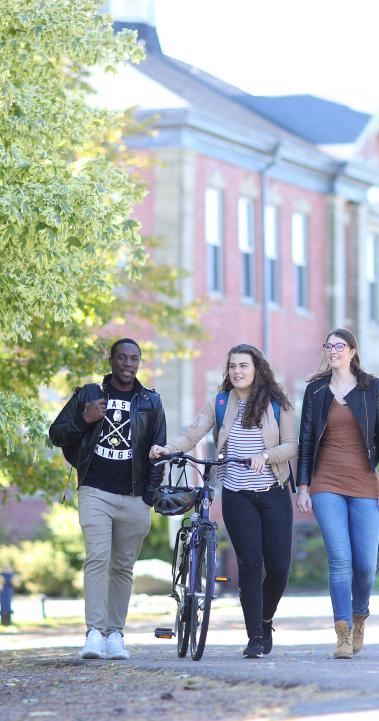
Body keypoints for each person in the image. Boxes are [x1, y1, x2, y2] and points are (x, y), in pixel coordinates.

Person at [150, 343, 297, 658]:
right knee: (249, 565)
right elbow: (193, 434)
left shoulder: (276, 402)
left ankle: (266, 618)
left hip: (274, 493)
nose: (237, 371)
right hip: (237, 495)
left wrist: (266, 455)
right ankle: (255, 637)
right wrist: (167, 447)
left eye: (243, 365)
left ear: (256, 368)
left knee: (279, 567)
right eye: (233, 366)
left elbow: (291, 445)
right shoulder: (219, 402)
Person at [49, 338, 166, 660]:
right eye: (122, 358)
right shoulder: (88, 394)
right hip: (95, 490)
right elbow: (56, 434)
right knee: (97, 559)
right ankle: (94, 633)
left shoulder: (151, 402)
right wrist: (83, 419)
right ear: (112, 360)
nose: (128, 364)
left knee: (123, 567)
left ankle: (115, 633)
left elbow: (159, 451)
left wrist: (149, 497)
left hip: (134, 496)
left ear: (139, 363)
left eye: (134, 359)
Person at [297, 328, 379, 659]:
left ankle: (360, 617)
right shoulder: (315, 390)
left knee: (365, 564)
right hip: (325, 481)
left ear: (352, 351)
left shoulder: (372, 388)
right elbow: (305, 440)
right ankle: (343, 632)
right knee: (340, 557)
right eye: (328, 346)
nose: (332, 351)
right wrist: (303, 485)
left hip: (364, 483)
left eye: (339, 346)